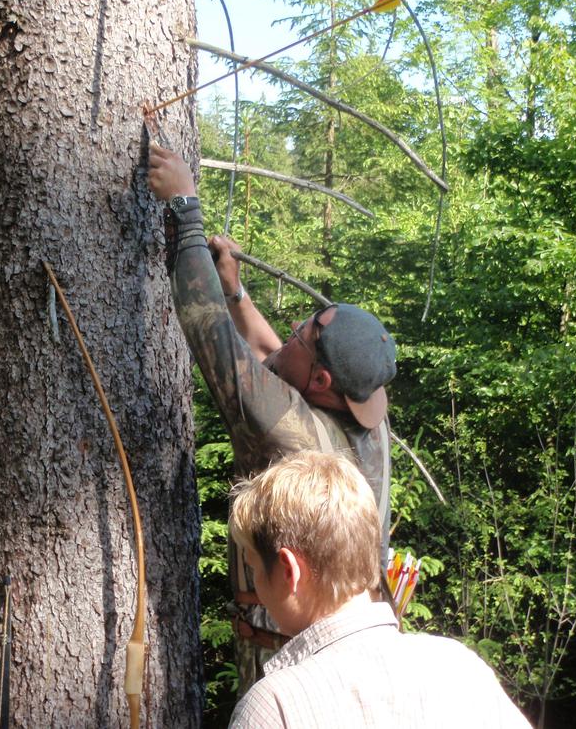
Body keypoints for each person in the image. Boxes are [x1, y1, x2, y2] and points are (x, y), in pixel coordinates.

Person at [147, 142, 398, 690]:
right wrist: (236, 288)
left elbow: (209, 328)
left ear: (322, 382)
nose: (293, 332)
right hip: (359, 646)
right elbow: (271, 358)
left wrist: (186, 211)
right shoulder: (369, 420)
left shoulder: (296, 438)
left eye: (306, 334)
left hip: (288, 663)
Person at [228, 450, 531, 728]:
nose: (257, 585)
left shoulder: (274, 706)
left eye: (253, 566)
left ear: (288, 570)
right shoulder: (460, 669)